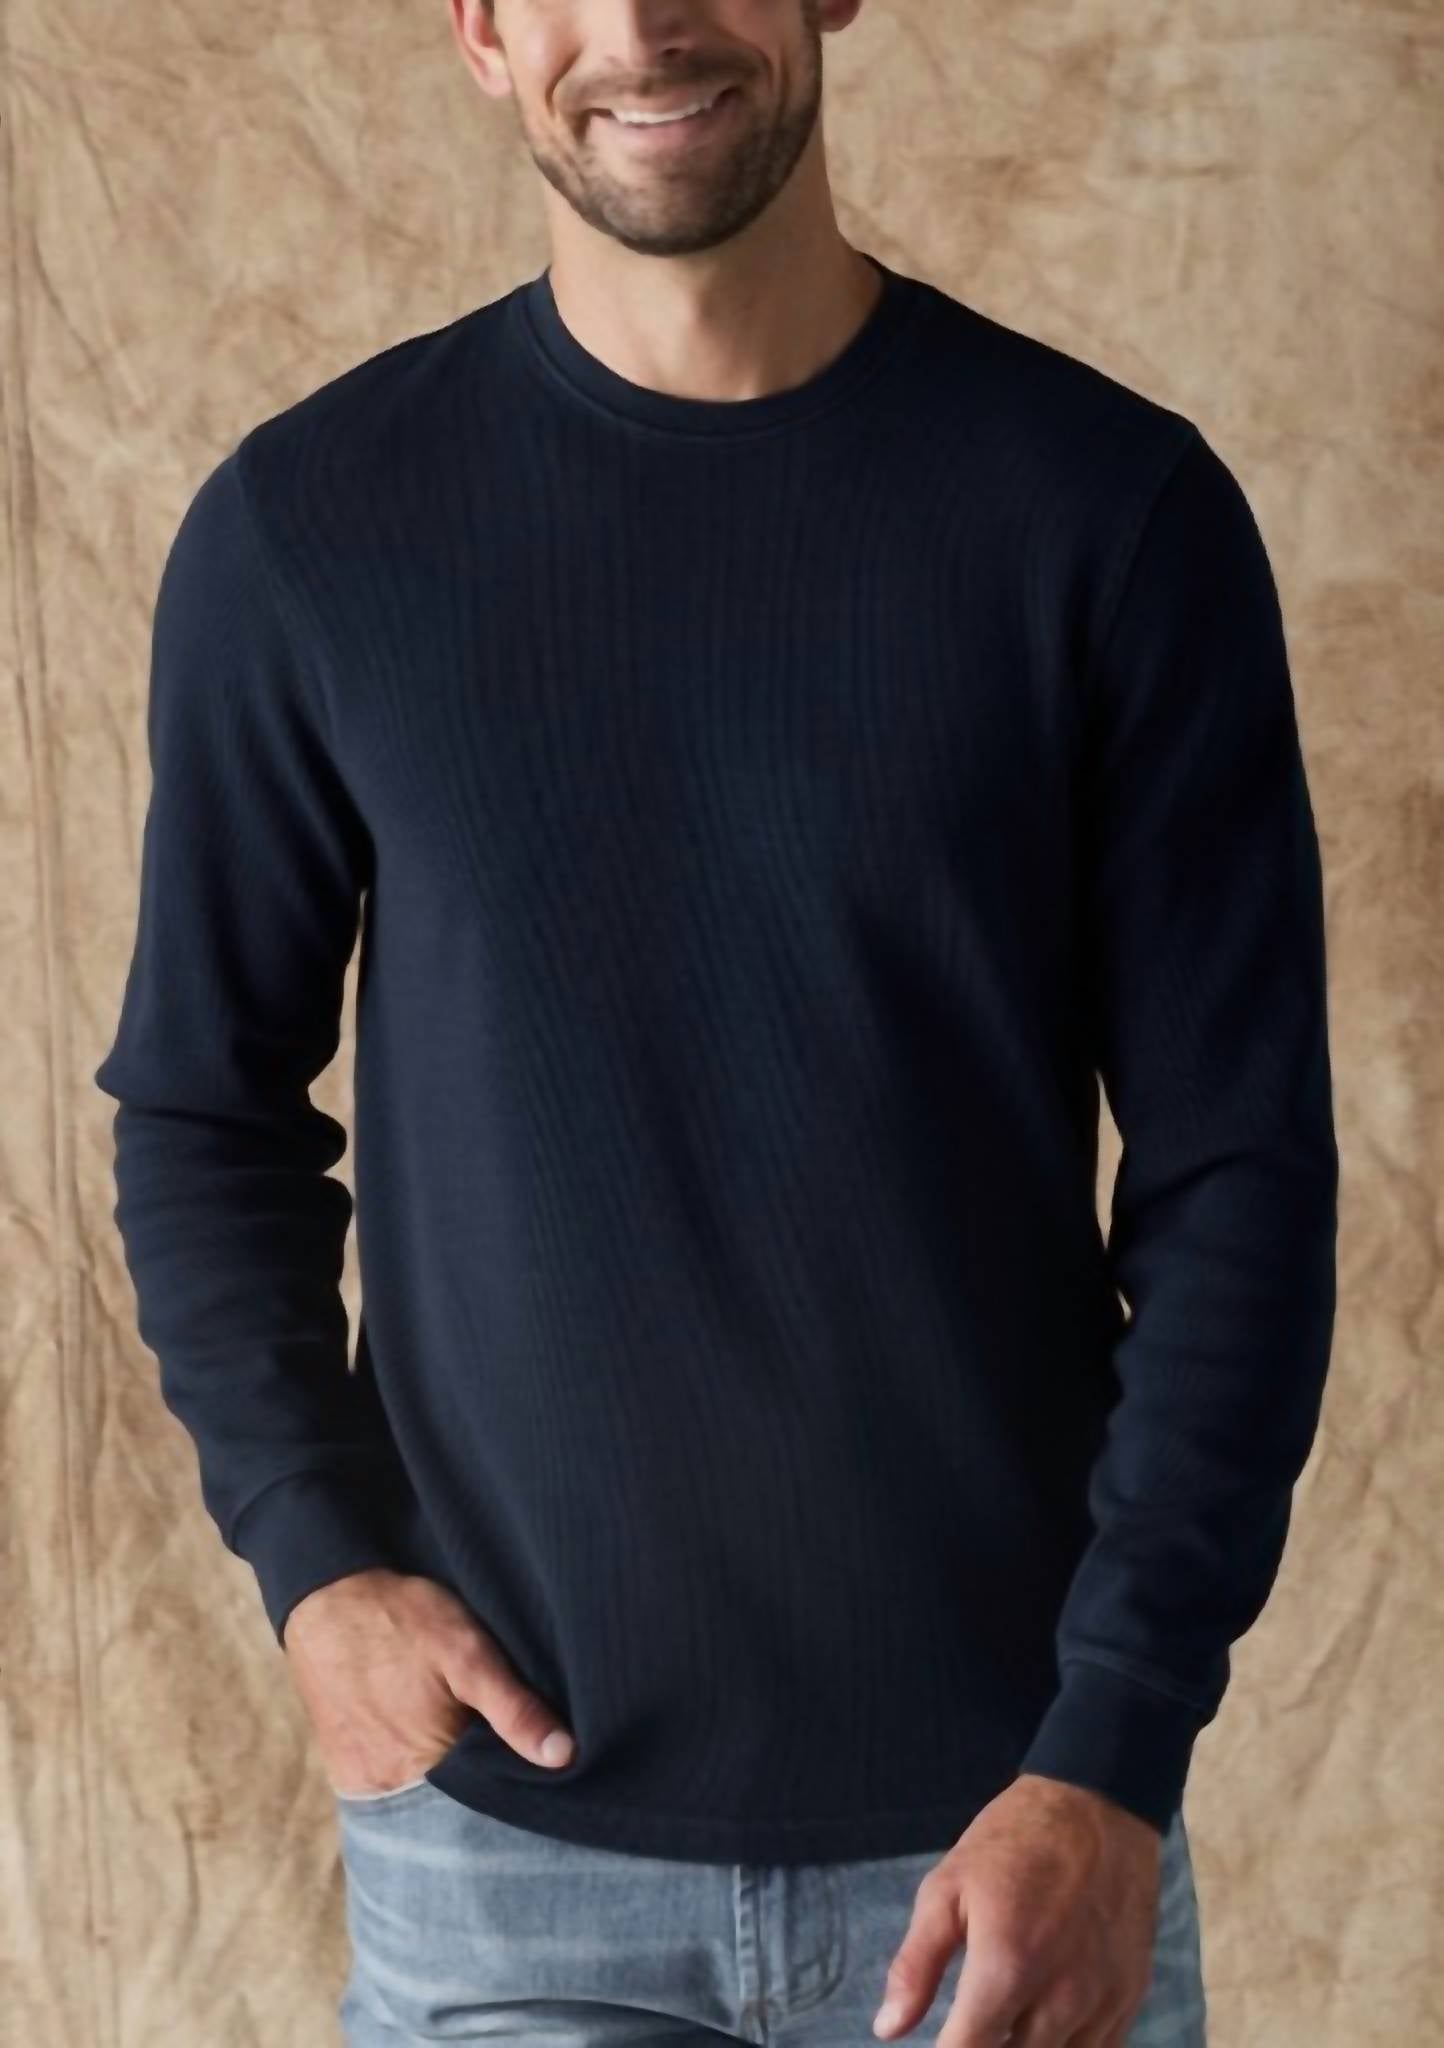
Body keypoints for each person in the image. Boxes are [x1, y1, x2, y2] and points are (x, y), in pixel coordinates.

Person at [92, 1, 1338, 2042]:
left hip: (1008, 1845)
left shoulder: (1110, 515)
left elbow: (1240, 1183)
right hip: (507, 1876)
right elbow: (200, 1109)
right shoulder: (308, 529)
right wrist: (317, 1563)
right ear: (481, 28)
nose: (644, 24)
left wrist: (1113, 1749)